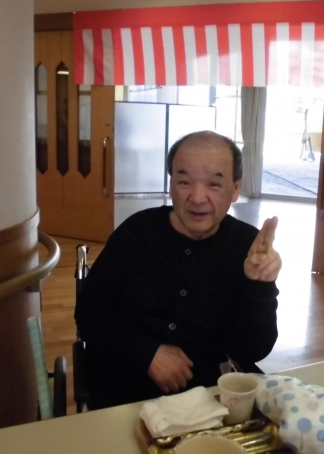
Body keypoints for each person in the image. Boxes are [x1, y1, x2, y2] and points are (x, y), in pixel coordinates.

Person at [75, 131, 282, 410]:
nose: (197, 197)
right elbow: (90, 312)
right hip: (126, 389)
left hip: (211, 395)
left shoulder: (247, 246)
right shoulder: (136, 233)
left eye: (214, 184)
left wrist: (259, 288)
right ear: (171, 185)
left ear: (234, 189)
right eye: (184, 182)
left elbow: (252, 349)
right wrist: (148, 354)